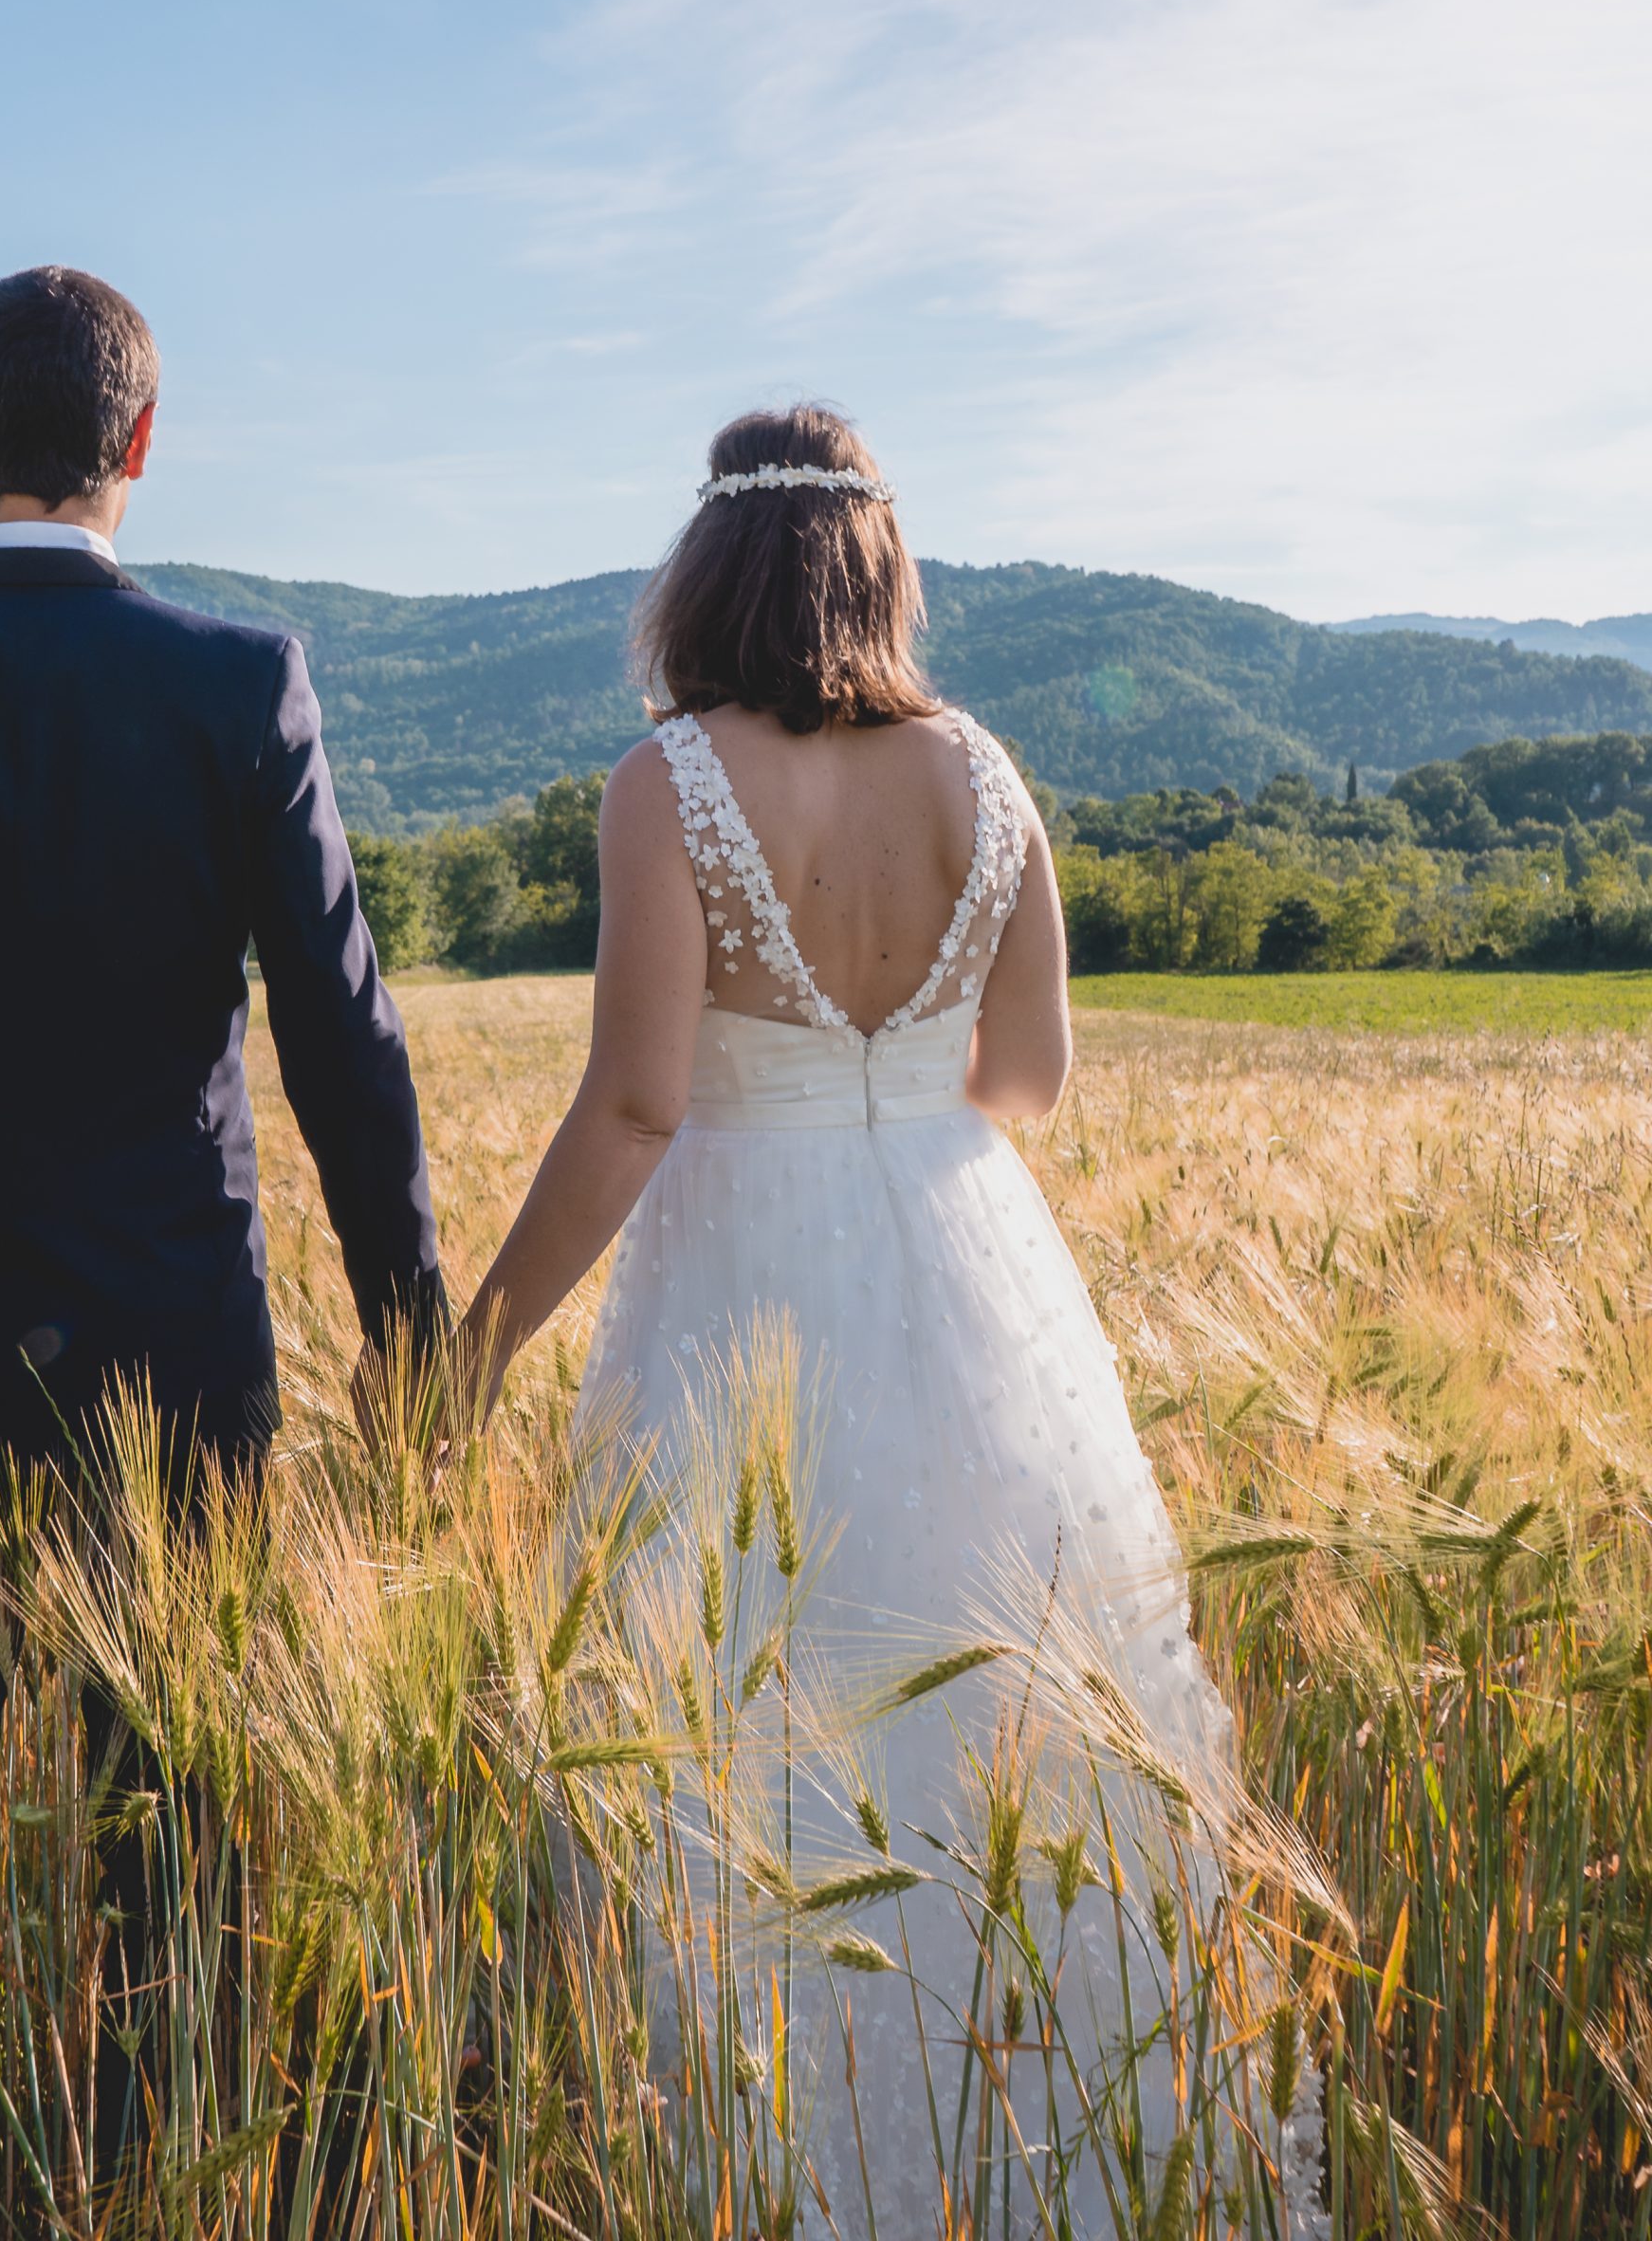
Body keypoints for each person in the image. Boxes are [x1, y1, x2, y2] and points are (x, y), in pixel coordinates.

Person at [0, 265, 446, 2238]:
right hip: (173, 1325)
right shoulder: (239, 679)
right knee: (173, 1816)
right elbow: (337, 1033)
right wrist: (410, 1329)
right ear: (140, 439)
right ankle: (154, 2176)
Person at [458, 405, 1237, 2225]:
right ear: (882, 557)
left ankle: (758, 2163)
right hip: (971, 1270)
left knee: (744, 1713)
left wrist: (471, 1340)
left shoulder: (668, 784)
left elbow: (639, 1104)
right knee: (999, 1721)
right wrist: (893, 1135)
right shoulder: (993, 772)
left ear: (708, 566)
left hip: (743, 1283)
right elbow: (1028, 1075)